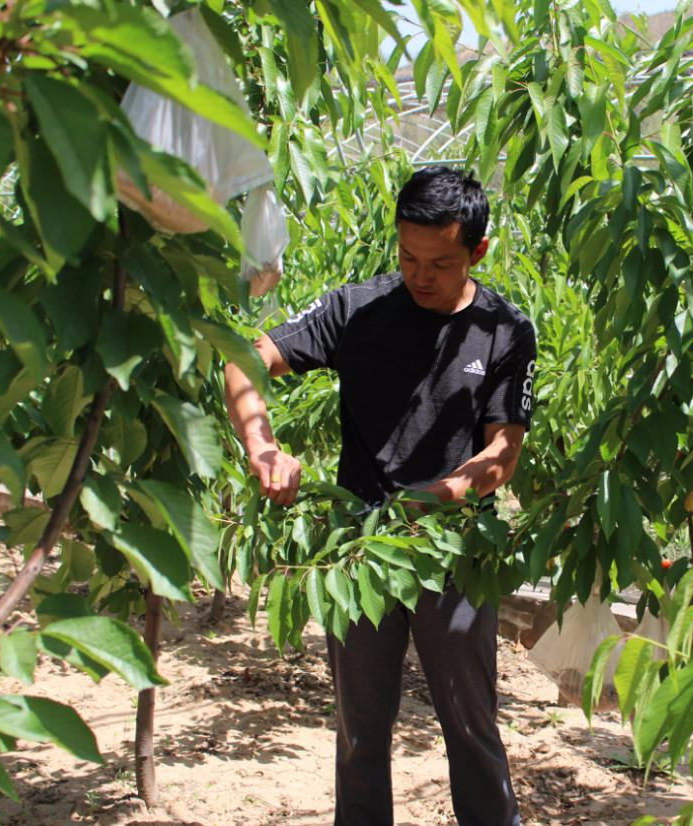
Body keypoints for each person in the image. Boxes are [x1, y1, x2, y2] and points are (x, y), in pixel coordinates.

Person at [222, 166, 535, 826]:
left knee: (471, 727)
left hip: (451, 553)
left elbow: (503, 452)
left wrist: (436, 496)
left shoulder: (505, 330)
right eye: (408, 257)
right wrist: (263, 448)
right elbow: (244, 359)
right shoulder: (356, 308)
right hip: (357, 556)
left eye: (441, 263)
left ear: (478, 251)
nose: (421, 276)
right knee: (360, 732)